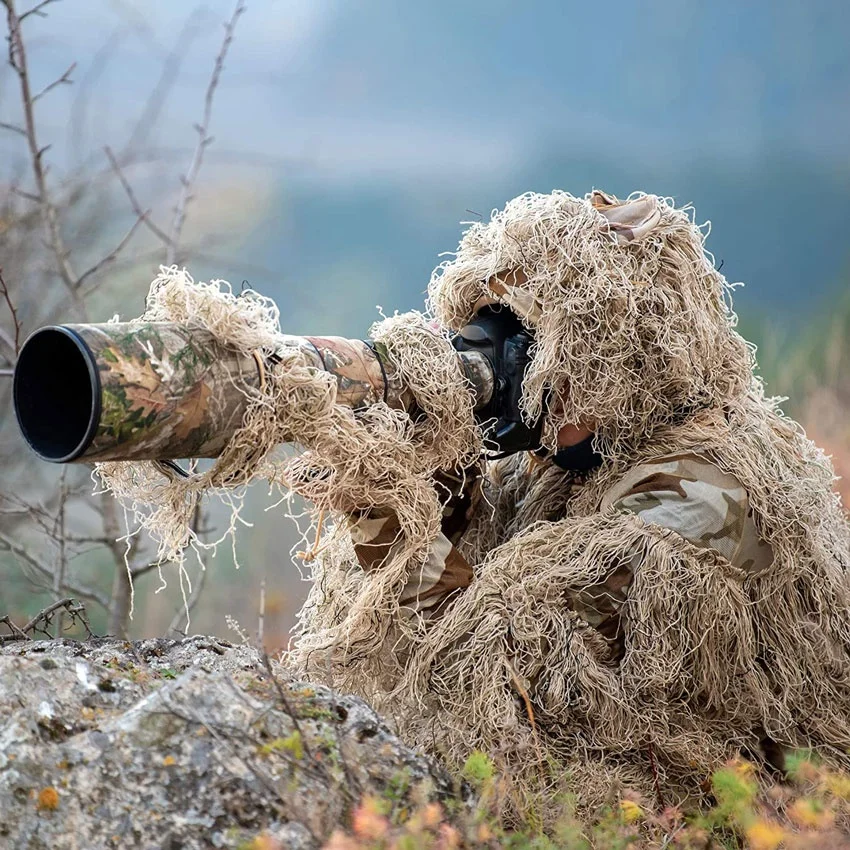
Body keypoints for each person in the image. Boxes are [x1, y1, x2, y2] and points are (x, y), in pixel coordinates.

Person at [291, 189, 850, 813]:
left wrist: (392, 506)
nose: (514, 382)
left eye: (535, 346)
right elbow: (481, 571)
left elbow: (486, 689)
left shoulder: (695, 503)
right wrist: (434, 471)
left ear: (620, 362)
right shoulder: (585, 458)